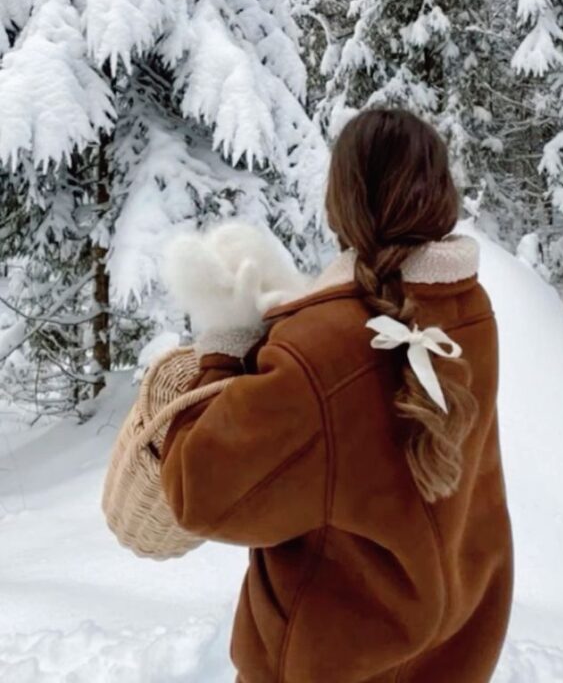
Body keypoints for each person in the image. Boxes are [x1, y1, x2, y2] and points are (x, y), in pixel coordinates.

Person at [159, 107, 514, 683]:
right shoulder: (470, 311)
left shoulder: (318, 352)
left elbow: (197, 492)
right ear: (441, 193)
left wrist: (225, 341)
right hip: (453, 656)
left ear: (340, 203)